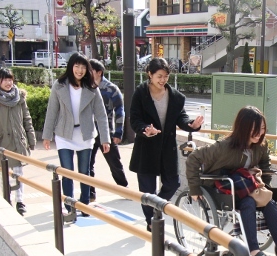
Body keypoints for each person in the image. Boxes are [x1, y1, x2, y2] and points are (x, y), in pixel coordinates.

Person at [185, 106, 277, 256]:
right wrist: (194, 188)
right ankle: (254, 252)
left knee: (269, 202)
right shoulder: (224, 147)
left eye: (262, 129)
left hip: (245, 185)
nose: (259, 133)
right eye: (255, 129)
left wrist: (264, 185)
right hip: (222, 185)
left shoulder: (260, 145)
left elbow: (265, 164)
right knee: (248, 203)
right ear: (244, 128)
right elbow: (193, 158)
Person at [129, 57, 204, 231]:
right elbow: (135, 119)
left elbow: (181, 118)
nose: (163, 80)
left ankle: (156, 207)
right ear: (150, 74)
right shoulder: (140, 93)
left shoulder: (175, 97)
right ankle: (151, 221)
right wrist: (145, 129)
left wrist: (192, 125)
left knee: (173, 183)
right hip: (146, 148)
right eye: (159, 76)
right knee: (147, 190)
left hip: (167, 148)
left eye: (166, 76)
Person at [42, 53, 110, 216]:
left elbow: (101, 115)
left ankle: (85, 204)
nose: (80, 70)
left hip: (85, 134)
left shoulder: (92, 88)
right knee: (67, 171)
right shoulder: (59, 85)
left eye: (83, 67)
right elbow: (52, 111)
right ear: (71, 67)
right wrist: (47, 135)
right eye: (76, 66)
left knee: (84, 172)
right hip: (64, 134)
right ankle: (69, 204)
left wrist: (105, 139)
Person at [0, 68, 36, 216]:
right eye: (5, 80)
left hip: (18, 140)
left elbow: (27, 119)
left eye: (10, 79)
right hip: (3, 142)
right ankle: (7, 199)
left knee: (19, 173)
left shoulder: (19, 97)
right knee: (5, 173)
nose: (8, 82)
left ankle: (20, 202)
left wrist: (31, 139)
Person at [87, 59, 128, 202]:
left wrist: (118, 132)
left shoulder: (111, 89)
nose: (86, 72)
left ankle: (124, 188)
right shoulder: (86, 87)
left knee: (114, 163)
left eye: (90, 70)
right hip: (89, 132)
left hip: (106, 132)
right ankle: (90, 193)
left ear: (99, 72)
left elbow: (120, 111)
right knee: (87, 164)